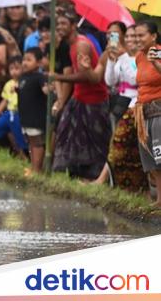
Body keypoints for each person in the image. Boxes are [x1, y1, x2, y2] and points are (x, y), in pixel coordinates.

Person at [51, 11, 110, 180]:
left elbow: (85, 77)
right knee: (65, 134)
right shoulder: (69, 44)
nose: (60, 27)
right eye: (58, 24)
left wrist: (58, 77)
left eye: (63, 24)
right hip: (79, 98)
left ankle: (96, 177)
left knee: (95, 140)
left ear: (73, 25)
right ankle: (69, 174)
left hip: (94, 100)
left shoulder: (81, 45)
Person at [88, 23, 146, 192]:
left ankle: (105, 180)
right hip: (119, 103)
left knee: (124, 145)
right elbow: (110, 81)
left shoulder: (143, 56)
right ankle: (116, 184)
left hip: (136, 104)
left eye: (134, 36)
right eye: (127, 36)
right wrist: (113, 60)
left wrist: (125, 59)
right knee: (117, 144)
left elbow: (135, 79)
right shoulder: (122, 57)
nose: (130, 40)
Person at [133, 21, 161, 206]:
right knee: (152, 161)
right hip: (145, 112)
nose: (137, 39)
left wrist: (156, 63)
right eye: (136, 36)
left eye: (141, 35)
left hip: (159, 112)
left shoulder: (159, 53)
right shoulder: (139, 56)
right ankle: (159, 199)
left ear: (153, 36)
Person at [0, 55, 28, 156]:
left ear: (23, 68)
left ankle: (23, 154)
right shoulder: (8, 84)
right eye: (11, 69)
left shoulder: (26, 82)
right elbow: (4, 101)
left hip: (20, 113)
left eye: (17, 68)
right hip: (9, 113)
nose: (14, 71)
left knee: (19, 135)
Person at [17, 48, 49, 173]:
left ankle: (37, 169)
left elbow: (45, 90)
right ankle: (33, 167)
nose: (25, 62)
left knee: (37, 143)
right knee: (30, 142)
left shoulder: (39, 77)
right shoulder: (23, 77)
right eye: (24, 59)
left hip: (35, 117)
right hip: (25, 117)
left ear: (39, 63)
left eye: (29, 60)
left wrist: (48, 89)